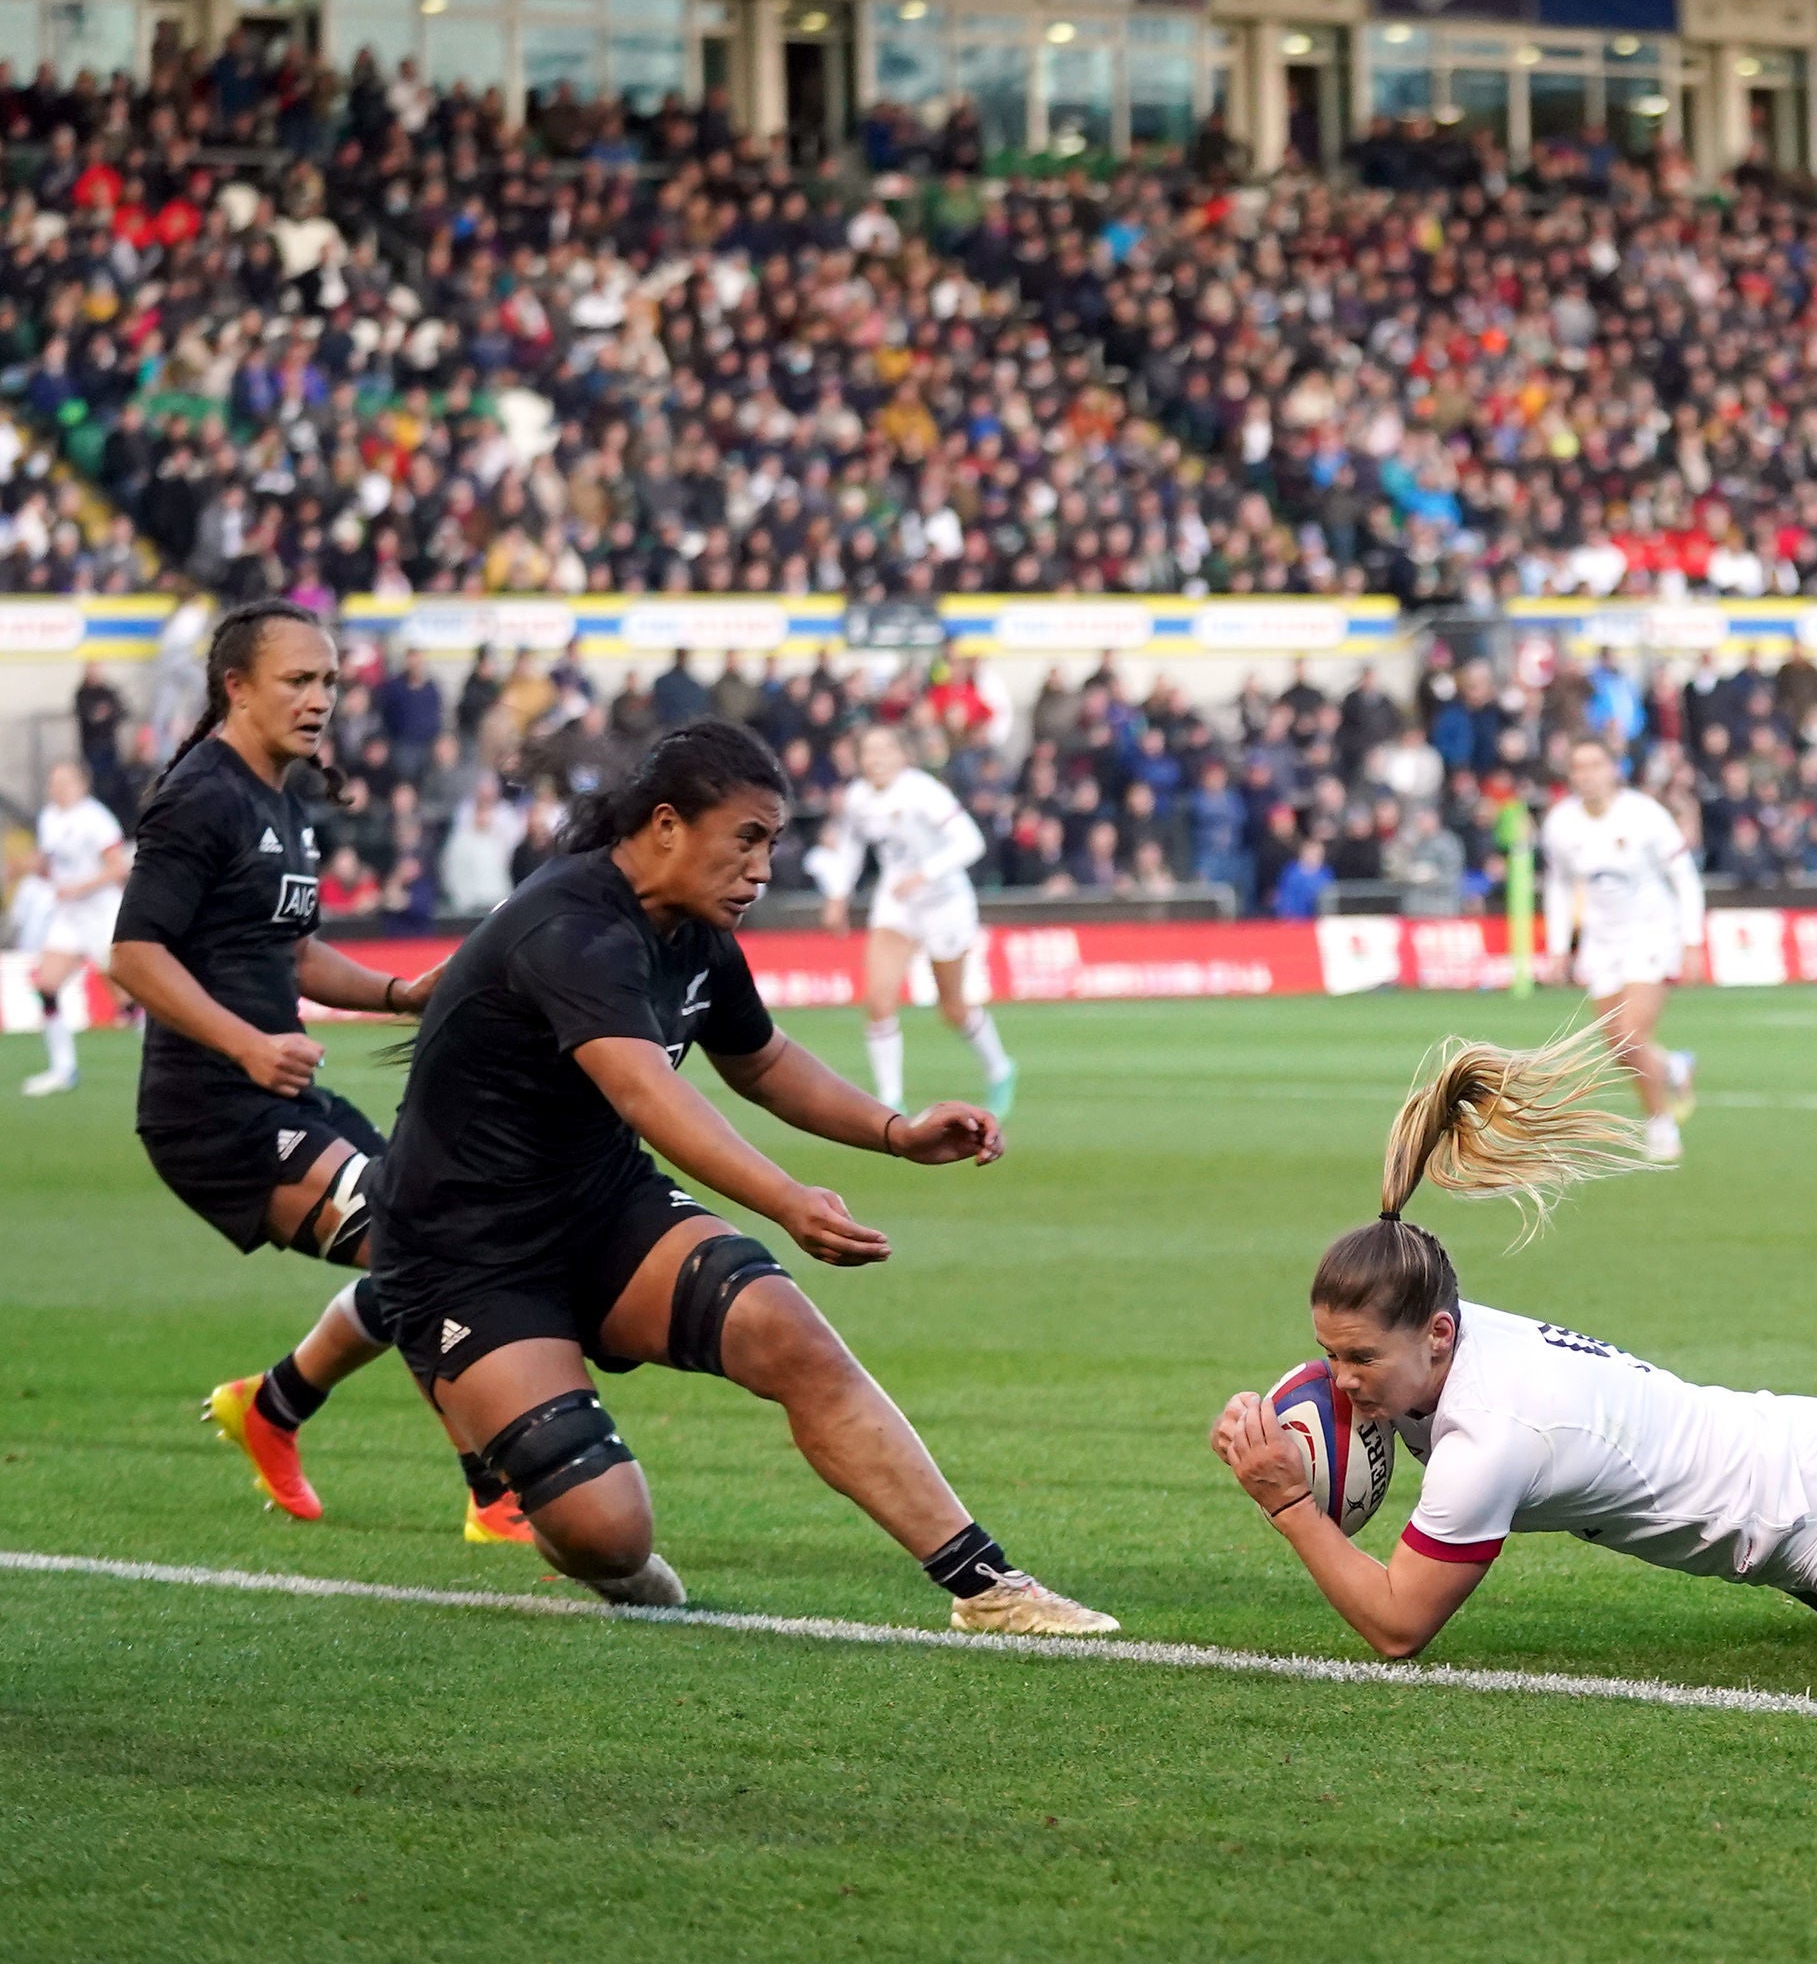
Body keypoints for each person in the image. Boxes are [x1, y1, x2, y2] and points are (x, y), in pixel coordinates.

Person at [369, 719, 1112, 1633]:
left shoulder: (694, 927)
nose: (762, 868)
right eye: (747, 839)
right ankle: (524, 1466)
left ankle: (989, 1586)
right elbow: (646, 1093)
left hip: (598, 1203)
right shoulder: (571, 926)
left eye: (774, 843)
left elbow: (761, 1061)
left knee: (788, 1330)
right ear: (669, 824)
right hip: (463, 1252)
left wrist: (894, 1130)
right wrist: (785, 1198)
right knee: (606, 1536)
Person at [1205, 1029, 1817, 1657]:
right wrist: (1287, 1423)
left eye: (1359, 1358)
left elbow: (1398, 1625)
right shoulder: (1448, 1332)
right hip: (1806, 1458)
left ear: (1437, 1335)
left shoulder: (1490, 1436)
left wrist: (1287, 1501)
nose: (1340, 1379)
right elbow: (1371, 1391)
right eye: (1329, 1354)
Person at [111, 603, 522, 1542]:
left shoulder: (281, 799)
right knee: (423, 1244)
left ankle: (275, 1408)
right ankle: (494, 1488)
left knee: (433, 1231)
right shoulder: (202, 796)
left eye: (330, 682)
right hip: (211, 1109)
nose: (320, 699)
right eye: (298, 680)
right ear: (236, 687)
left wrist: (399, 992)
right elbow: (133, 954)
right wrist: (247, 1044)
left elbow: (294, 957)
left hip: (275, 1094)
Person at [810, 723, 1015, 1116]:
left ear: (903, 755)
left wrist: (927, 873)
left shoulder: (924, 792)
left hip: (944, 901)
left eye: (885, 747)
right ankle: (890, 1101)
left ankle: (1000, 1069)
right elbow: (852, 846)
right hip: (897, 902)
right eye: (869, 750)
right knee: (878, 1000)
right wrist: (838, 896)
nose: (877, 757)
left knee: (952, 1007)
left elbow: (970, 842)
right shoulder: (856, 798)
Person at [1537, 737, 1703, 1162]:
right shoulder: (1561, 823)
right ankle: (1671, 1067)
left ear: (1613, 769)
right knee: (1616, 1041)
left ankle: (1660, 1124)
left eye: (1595, 765)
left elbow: (1684, 877)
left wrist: (1691, 940)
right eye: (1578, 767)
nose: (1587, 775)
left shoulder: (1645, 815)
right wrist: (1559, 946)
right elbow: (1558, 884)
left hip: (1651, 932)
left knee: (1630, 1033)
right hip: (1601, 940)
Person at [18, 758, 126, 1096]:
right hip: (69, 917)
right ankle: (62, 1069)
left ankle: (167, 1069)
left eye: (64, 782)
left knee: (129, 997)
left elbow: (118, 868)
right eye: (53, 783)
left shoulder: (96, 819)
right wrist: (27, 869)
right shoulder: (49, 817)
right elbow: (50, 862)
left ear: (81, 784)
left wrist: (79, 887)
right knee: (47, 984)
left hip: (102, 913)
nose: (57, 789)